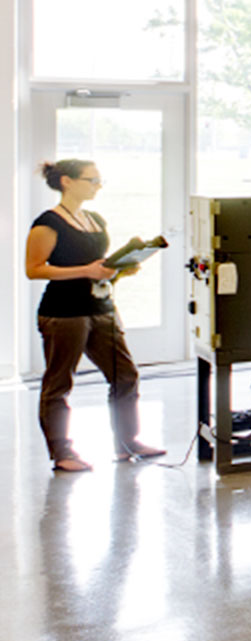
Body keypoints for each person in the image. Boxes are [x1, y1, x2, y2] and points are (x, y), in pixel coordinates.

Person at [24, 159, 162, 473]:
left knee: (125, 375)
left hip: (101, 309)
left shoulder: (95, 219)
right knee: (59, 384)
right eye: (92, 180)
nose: (98, 185)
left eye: (100, 180)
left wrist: (119, 271)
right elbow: (34, 269)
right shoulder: (48, 223)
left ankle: (128, 443)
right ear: (66, 182)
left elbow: (99, 269)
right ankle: (62, 453)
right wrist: (87, 270)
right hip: (63, 313)